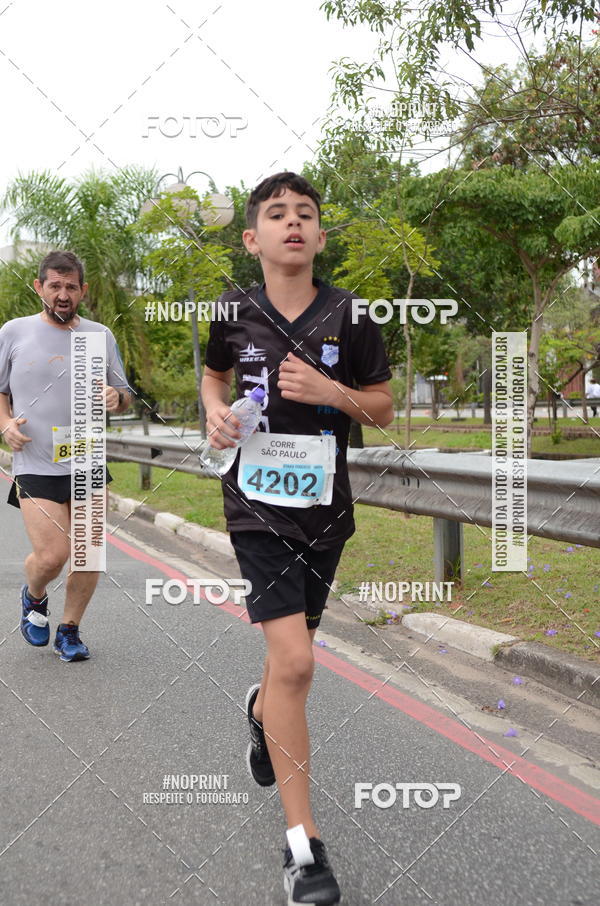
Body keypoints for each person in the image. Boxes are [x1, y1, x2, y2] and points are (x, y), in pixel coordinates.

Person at [201, 173, 393, 904]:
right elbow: (213, 380)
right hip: (254, 508)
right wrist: (216, 414)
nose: (291, 223)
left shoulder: (352, 315)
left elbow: (379, 410)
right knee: (298, 660)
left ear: (319, 236)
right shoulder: (232, 311)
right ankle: (303, 848)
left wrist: (330, 393)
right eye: (275, 214)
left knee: (289, 667)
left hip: (325, 510)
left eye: (304, 215)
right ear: (252, 238)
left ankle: (260, 713)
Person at [0, 250, 131, 661]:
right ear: (39, 287)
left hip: (88, 457)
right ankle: (34, 595)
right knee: (53, 555)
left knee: (88, 550)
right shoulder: (14, 332)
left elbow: (125, 395)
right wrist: (4, 424)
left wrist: (116, 396)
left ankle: (70, 631)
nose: (62, 294)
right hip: (36, 461)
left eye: (70, 286)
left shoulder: (99, 336)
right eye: (54, 285)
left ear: (82, 291)